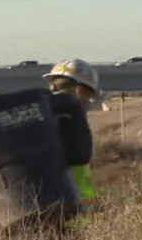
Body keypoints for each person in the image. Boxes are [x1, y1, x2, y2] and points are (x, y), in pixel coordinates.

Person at [42, 59, 99, 214]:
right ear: (80, 91)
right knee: (86, 216)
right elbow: (79, 155)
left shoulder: (43, 109)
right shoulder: (72, 112)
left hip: (51, 177)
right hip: (74, 173)